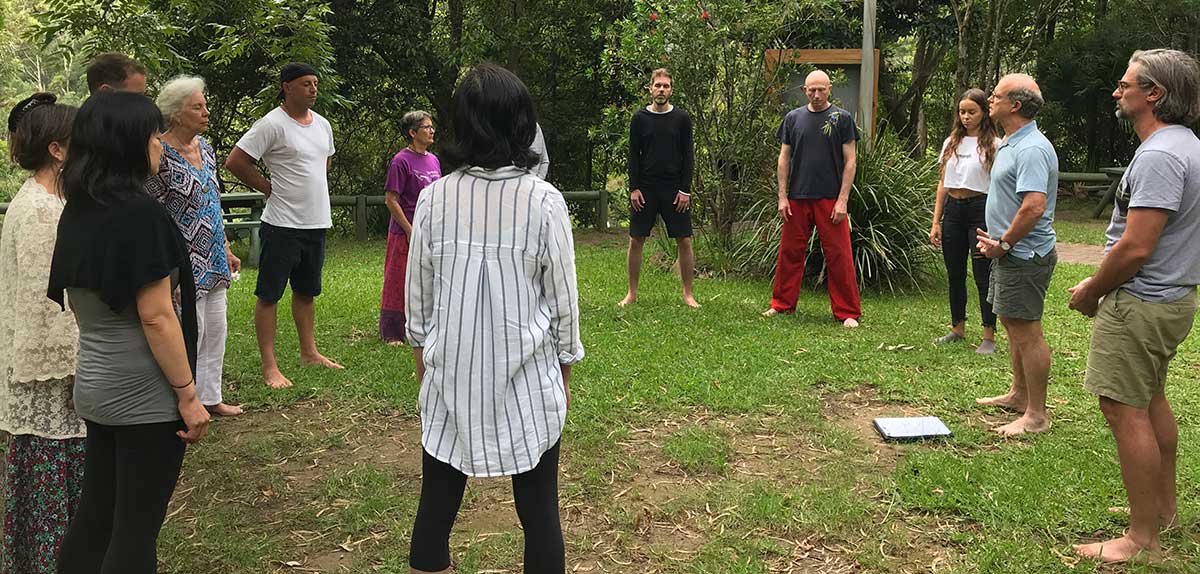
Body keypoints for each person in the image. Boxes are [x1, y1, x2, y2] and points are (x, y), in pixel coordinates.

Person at [405, 63, 583, 574]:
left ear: (462, 124)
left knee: (435, 507)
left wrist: (426, 371)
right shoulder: (543, 201)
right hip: (529, 381)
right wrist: (564, 374)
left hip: (449, 379)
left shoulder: (436, 197)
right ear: (521, 124)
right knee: (539, 510)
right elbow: (564, 305)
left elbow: (417, 303)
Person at [49, 90, 210, 574]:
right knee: (135, 529)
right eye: (152, 134)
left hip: (97, 387)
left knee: (96, 516)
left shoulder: (78, 210)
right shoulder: (141, 214)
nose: (161, 144)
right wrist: (186, 395)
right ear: (128, 144)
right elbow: (157, 315)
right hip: (145, 396)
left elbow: (79, 302)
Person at [1069, 49, 1200, 563]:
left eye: (1126, 84)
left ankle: (1141, 538)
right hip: (1172, 299)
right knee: (1150, 401)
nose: (1117, 91)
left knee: (1123, 409)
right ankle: (1163, 510)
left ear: (1155, 94)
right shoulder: (1186, 145)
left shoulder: (1162, 156)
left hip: (1142, 303)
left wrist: (1092, 290)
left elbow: (1137, 246)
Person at [0, 94, 83, 574]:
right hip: (48, 380)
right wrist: (74, 368)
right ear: (57, 150)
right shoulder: (37, 209)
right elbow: (42, 304)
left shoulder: (54, 202)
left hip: (52, 373)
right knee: (52, 484)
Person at [226, 62, 342, 389]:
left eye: (315, 83)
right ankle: (270, 366)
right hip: (281, 223)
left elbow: (324, 163)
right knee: (269, 294)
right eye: (306, 84)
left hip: (315, 222)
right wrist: (266, 187)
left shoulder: (322, 125)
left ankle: (310, 352)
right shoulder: (271, 124)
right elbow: (236, 160)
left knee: (306, 292)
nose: (313, 89)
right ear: (286, 87)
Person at [146, 75, 243, 416]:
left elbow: (214, 201)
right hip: (181, 255)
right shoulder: (159, 152)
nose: (205, 112)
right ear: (175, 113)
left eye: (205, 106)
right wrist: (168, 265)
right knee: (191, 330)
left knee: (217, 328)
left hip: (213, 251)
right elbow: (153, 213)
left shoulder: (206, 148)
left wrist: (227, 246)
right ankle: (183, 401)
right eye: (197, 107)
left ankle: (210, 397)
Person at [973, 74, 1058, 436]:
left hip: (1023, 253)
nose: (990, 99)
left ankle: (1036, 415)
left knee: (1027, 331)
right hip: (1008, 252)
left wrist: (1004, 243)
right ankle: (1018, 395)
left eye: (997, 95)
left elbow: (1034, 206)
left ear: (1016, 105)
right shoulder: (1011, 141)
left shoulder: (1032, 148)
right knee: (1011, 324)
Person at [764, 69, 862, 327]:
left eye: (821, 89)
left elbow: (850, 161)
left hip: (830, 198)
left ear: (830, 89)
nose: (816, 94)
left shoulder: (842, 119)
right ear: (804, 91)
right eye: (811, 90)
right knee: (789, 252)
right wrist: (782, 196)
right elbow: (784, 158)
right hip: (797, 196)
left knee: (839, 254)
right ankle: (782, 305)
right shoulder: (792, 119)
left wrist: (843, 200)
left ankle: (847, 312)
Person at [620, 68, 700, 308]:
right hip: (645, 189)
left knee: (684, 240)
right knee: (636, 239)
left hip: (674, 189)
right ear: (650, 88)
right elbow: (633, 155)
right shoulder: (639, 119)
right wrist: (634, 188)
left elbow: (689, 156)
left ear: (671, 90)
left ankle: (688, 294)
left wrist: (685, 190)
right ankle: (631, 294)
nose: (661, 90)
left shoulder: (682, 119)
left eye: (666, 86)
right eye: (658, 85)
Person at [930, 89, 999, 354]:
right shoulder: (952, 142)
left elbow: (1000, 184)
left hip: (980, 208)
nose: (966, 117)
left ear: (983, 113)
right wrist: (936, 221)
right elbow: (942, 183)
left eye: (972, 111)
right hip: (954, 209)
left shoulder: (994, 143)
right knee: (954, 271)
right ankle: (957, 328)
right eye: (962, 112)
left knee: (983, 273)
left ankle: (988, 335)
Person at [380, 110, 442, 343]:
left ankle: (424, 325)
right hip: (404, 231)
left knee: (428, 277)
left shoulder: (433, 160)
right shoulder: (401, 161)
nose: (431, 130)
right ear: (412, 133)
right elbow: (391, 199)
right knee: (398, 278)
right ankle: (393, 331)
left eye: (431, 126)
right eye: (426, 127)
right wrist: (409, 229)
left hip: (430, 230)